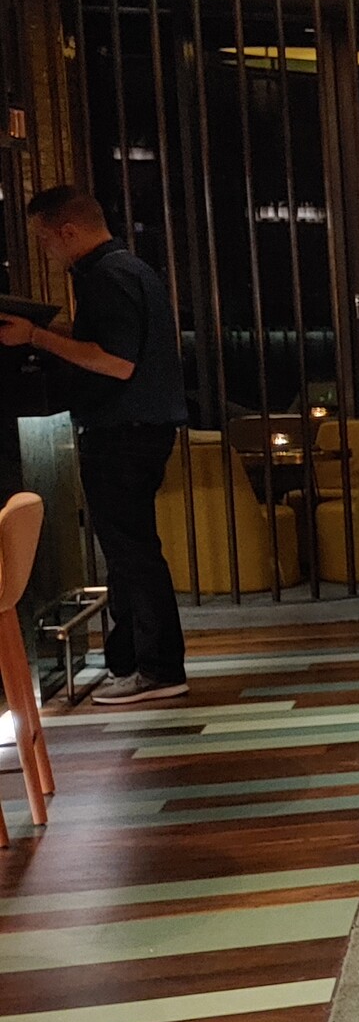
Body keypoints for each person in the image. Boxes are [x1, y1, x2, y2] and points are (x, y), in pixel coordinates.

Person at [1, 188, 190, 702]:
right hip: (141, 431)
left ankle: (159, 670)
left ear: (67, 231)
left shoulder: (106, 276)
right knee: (129, 552)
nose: (44, 251)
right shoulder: (131, 270)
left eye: (43, 239)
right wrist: (50, 329)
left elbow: (116, 363)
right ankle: (133, 663)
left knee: (132, 554)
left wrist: (36, 338)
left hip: (123, 434)